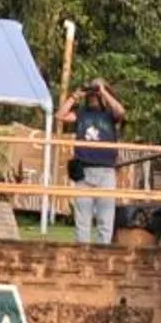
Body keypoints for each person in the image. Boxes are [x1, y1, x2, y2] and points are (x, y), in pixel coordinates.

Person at [59, 77, 126, 245]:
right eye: (92, 94)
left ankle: (103, 253)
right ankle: (81, 252)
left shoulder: (109, 115)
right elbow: (60, 115)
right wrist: (76, 96)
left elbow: (121, 112)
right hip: (84, 170)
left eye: (95, 94)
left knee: (105, 217)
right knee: (82, 217)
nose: (93, 96)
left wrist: (103, 91)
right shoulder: (81, 114)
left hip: (106, 170)